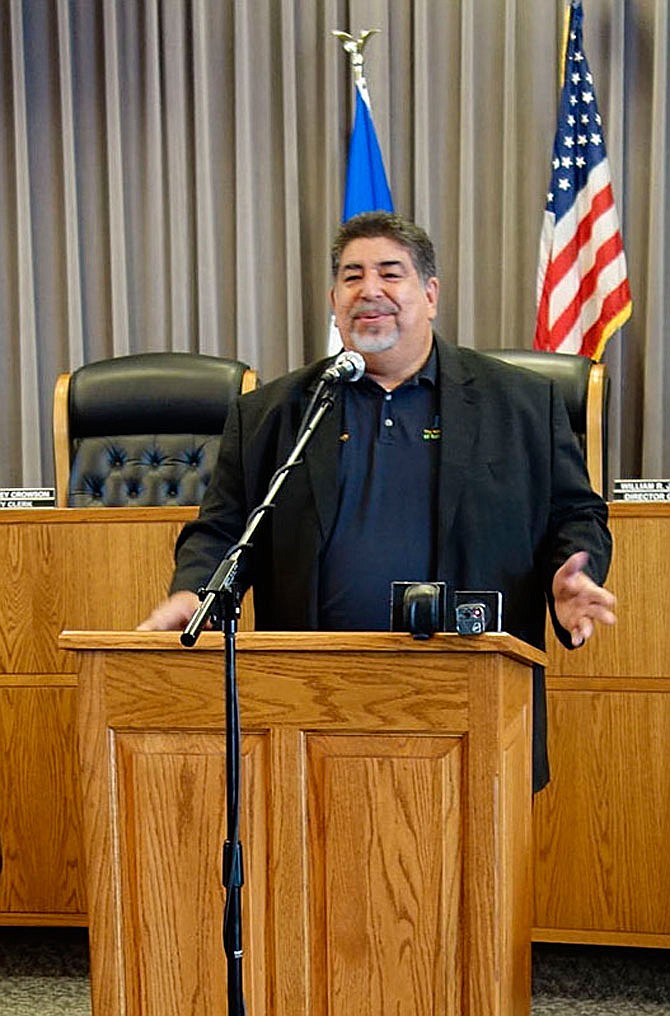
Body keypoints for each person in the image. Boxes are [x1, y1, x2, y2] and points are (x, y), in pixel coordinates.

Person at [138, 210, 616, 790]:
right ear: (334, 297)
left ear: (430, 293)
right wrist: (196, 593)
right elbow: (223, 529)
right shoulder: (273, 412)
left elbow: (575, 514)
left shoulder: (519, 403)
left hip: (471, 702)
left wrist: (572, 578)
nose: (370, 290)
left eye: (391, 274)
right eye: (352, 275)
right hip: (310, 709)